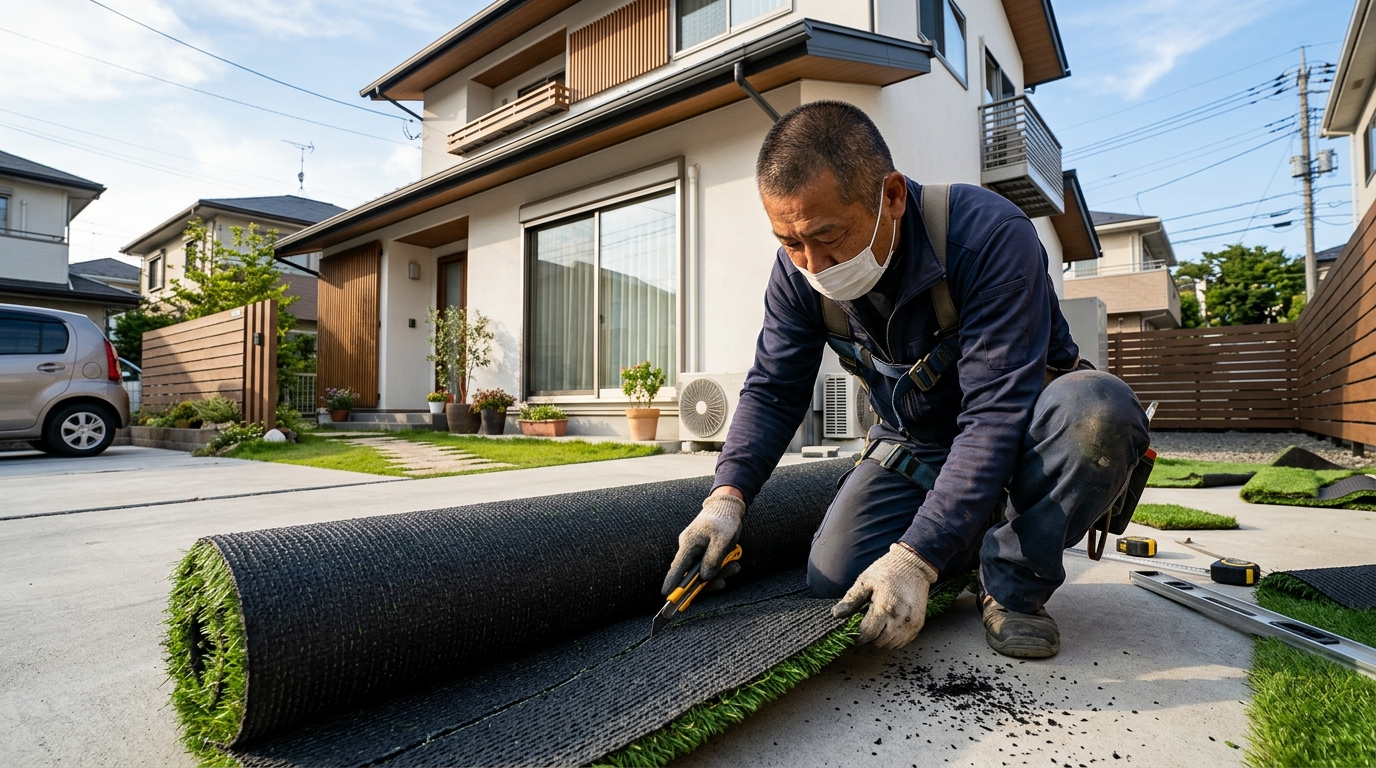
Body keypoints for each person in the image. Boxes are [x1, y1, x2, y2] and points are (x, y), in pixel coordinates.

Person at [661, 101, 1150, 658]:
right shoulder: (798, 274)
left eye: (829, 236)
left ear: (891, 196)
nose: (813, 265)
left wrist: (915, 558)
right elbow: (773, 390)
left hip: (1026, 433)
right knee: (836, 576)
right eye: (790, 243)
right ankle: (978, 524)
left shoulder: (988, 236)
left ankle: (1013, 585)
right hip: (918, 443)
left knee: (1097, 413)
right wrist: (726, 498)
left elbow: (994, 416)